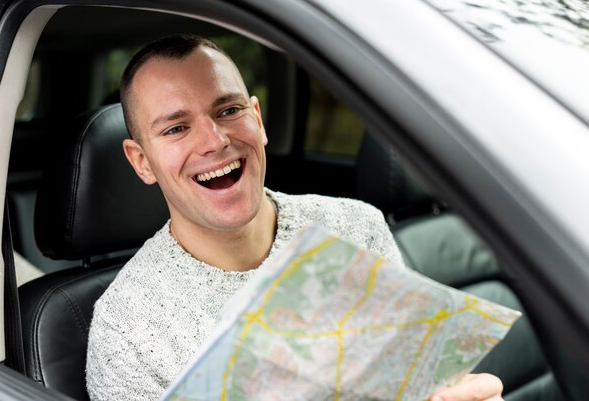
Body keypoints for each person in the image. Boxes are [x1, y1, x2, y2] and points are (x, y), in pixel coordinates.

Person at [85, 34, 504, 401]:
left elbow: (420, 379)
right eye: (176, 129)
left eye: (228, 111)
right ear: (141, 161)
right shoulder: (126, 328)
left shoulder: (357, 228)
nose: (214, 140)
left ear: (258, 119)